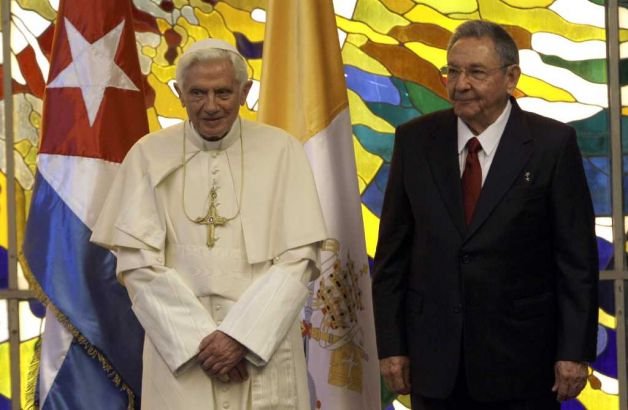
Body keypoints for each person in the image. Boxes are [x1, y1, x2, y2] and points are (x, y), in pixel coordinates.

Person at [372, 20, 598, 410]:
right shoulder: (415, 141)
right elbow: (393, 255)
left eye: (476, 72)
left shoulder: (552, 145)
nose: (460, 84)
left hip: (523, 362)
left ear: (511, 77)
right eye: (452, 70)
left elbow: (576, 258)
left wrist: (574, 352)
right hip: (435, 363)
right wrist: (391, 346)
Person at [91, 39, 327, 409]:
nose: (211, 106)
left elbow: (300, 258)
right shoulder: (147, 155)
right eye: (198, 93)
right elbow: (137, 263)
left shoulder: (282, 151)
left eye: (223, 92)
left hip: (260, 350)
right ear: (179, 93)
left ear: (245, 92)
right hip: (182, 354)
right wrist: (198, 340)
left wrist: (242, 338)